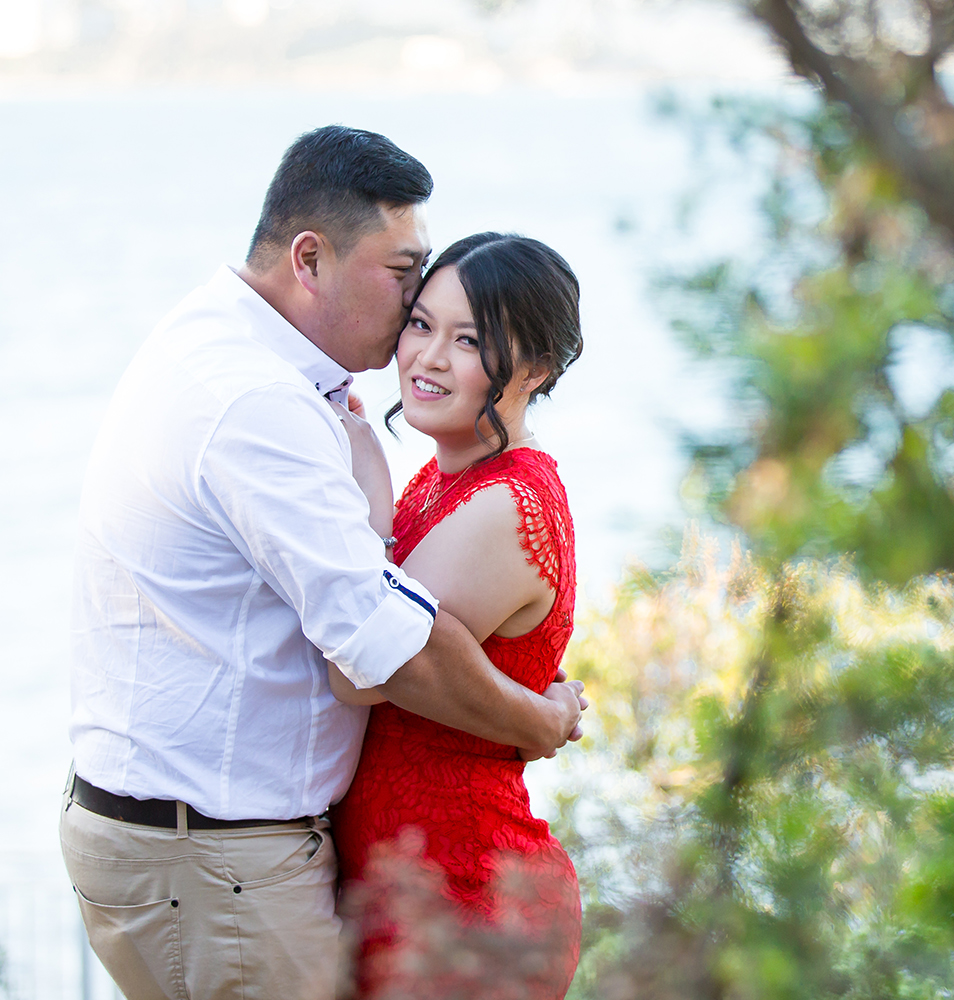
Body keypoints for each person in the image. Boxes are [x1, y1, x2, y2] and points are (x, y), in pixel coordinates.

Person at [60, 127, 585, 1000]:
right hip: (219, 862)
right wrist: (536, 720)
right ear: (310, 259)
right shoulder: (260, 399)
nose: (417, 329)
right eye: (405, 288)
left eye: (462, 333)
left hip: (250, 853)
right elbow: (385, 648)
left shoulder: (216, 340)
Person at [330, 232, 585, 1000]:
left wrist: (368, 495)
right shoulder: (451, 480)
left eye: (469, 340)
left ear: (534, 368)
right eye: (421, 324)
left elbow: (358, 674)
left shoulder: (505, 504)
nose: (429, 357)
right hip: (408, 874)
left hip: (460, 887)